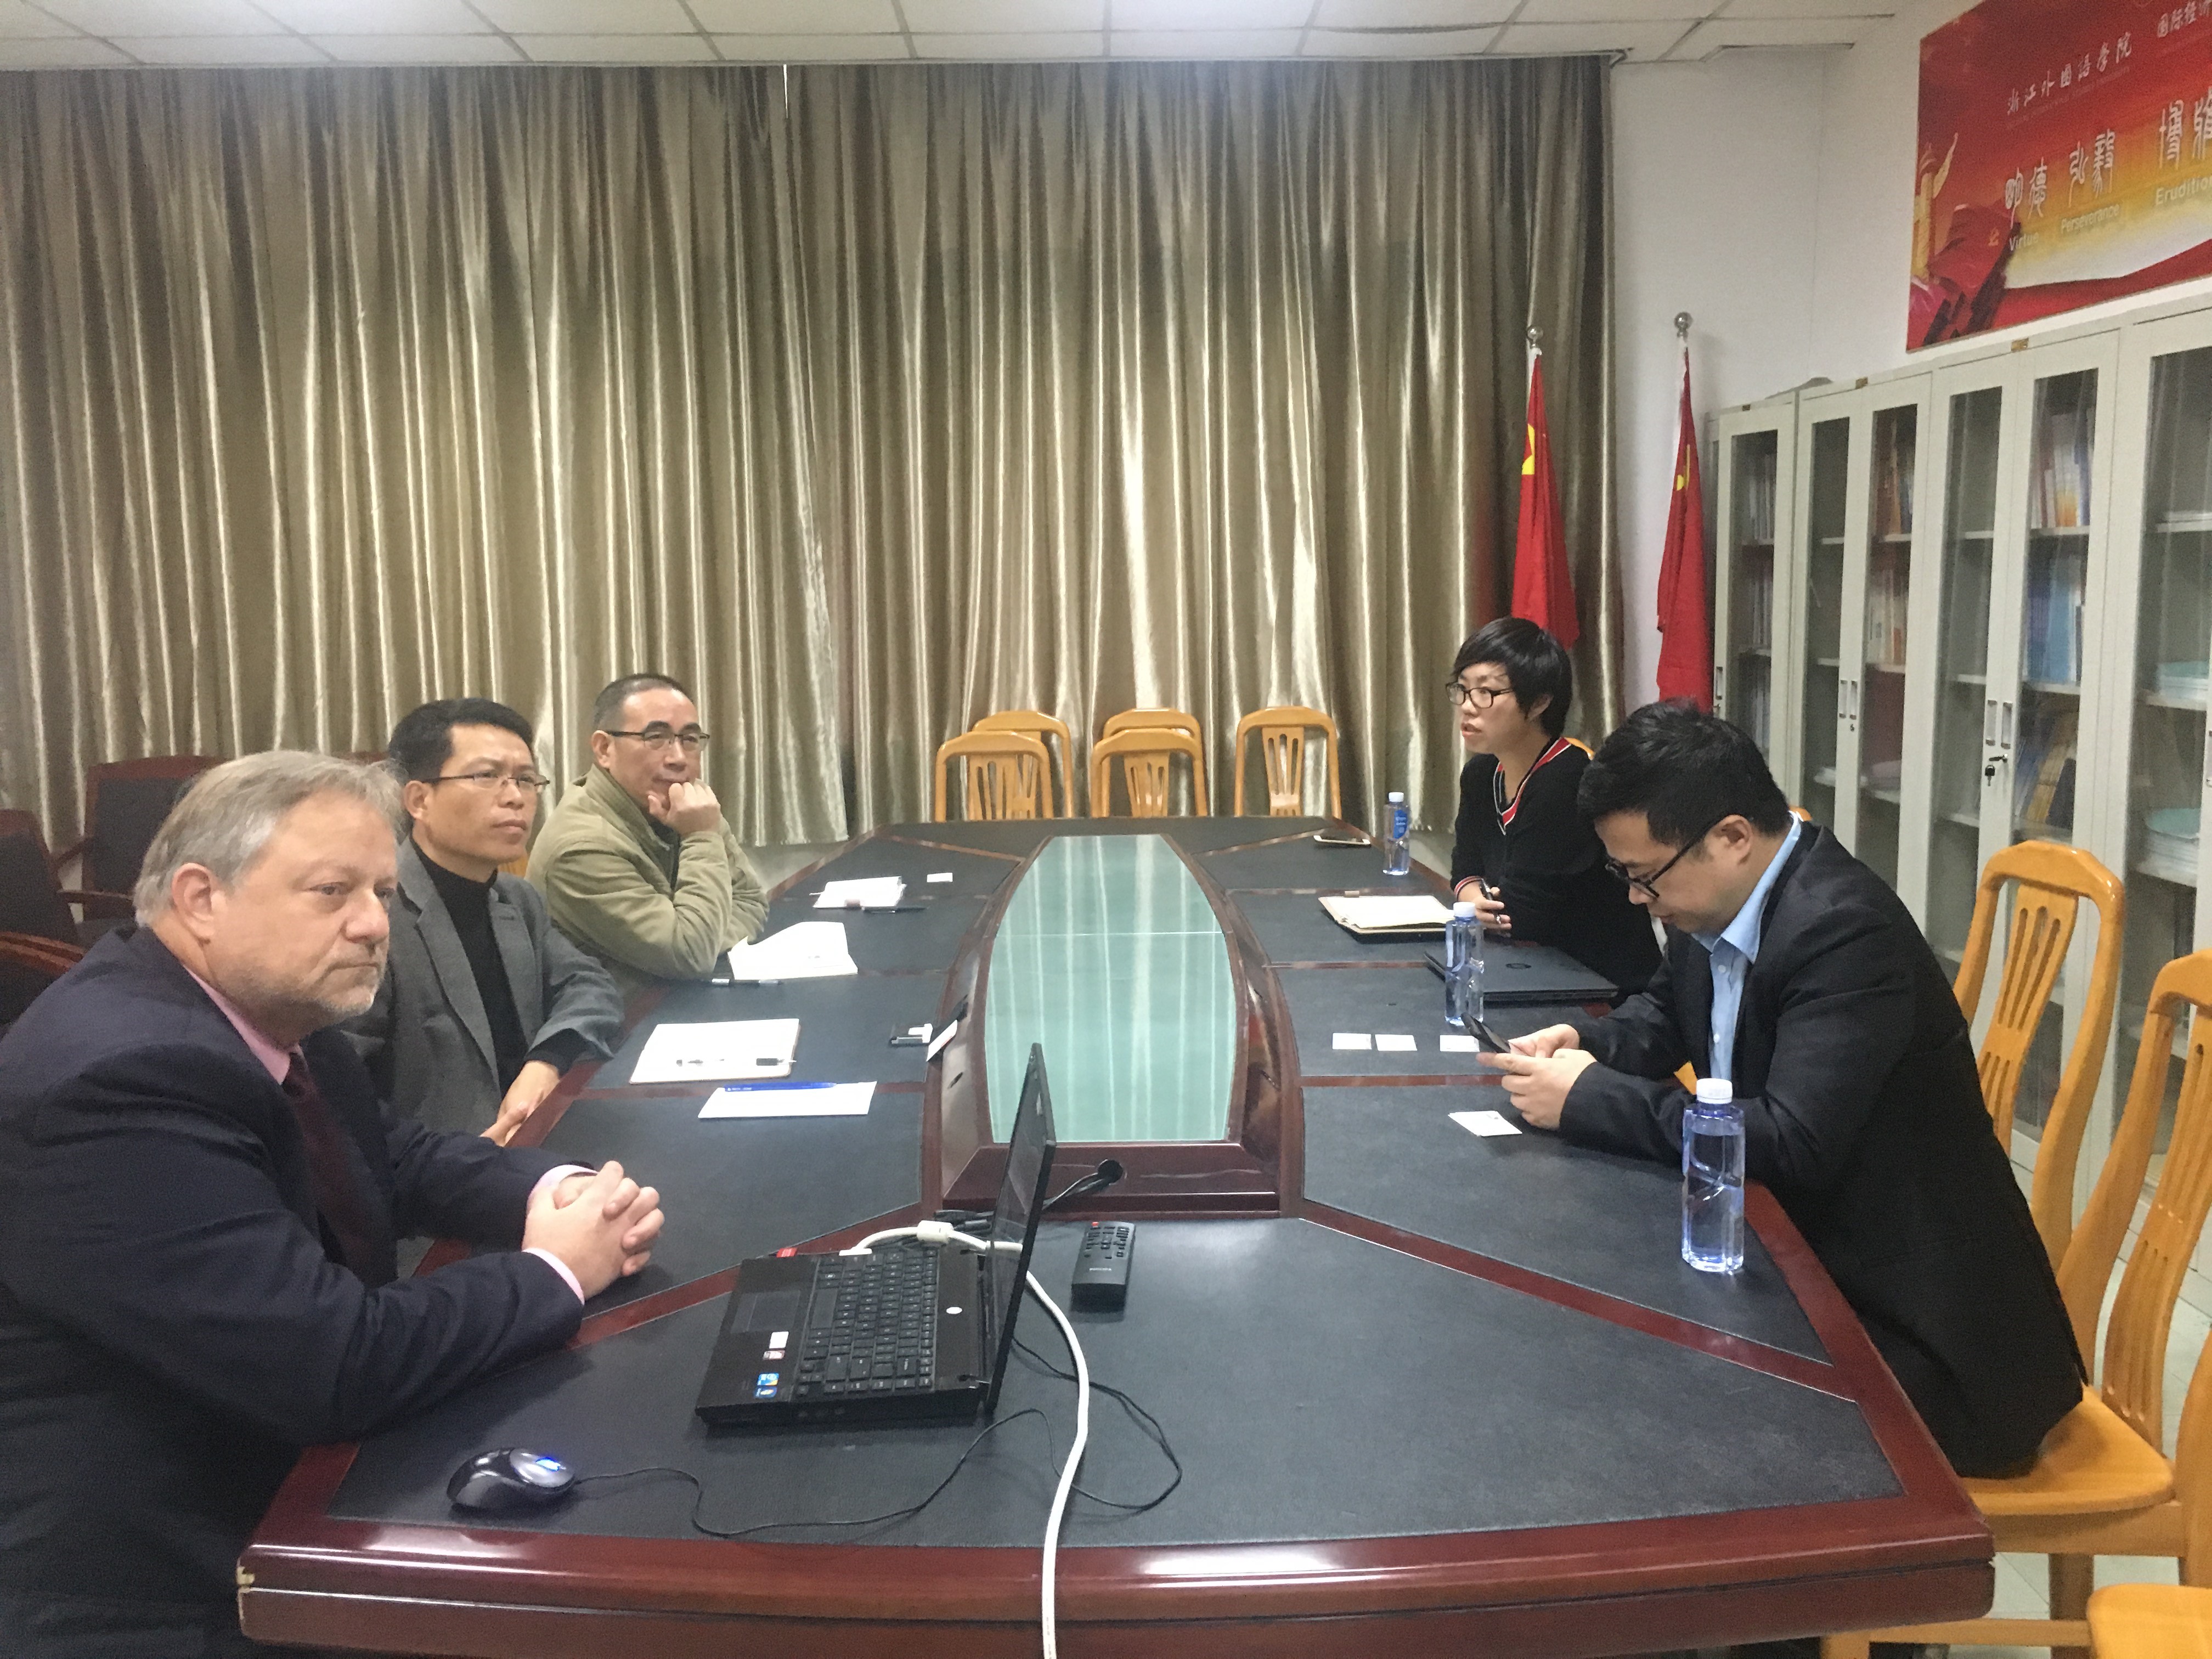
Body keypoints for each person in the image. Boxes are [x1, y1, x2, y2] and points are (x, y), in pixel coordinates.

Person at [0, 752, 665, 1657]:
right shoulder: (121, 1081)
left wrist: (564, 1191)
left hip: (271, 1478)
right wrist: (556, 1268)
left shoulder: (257, 1006)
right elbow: (331, 1363)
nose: (372, 924)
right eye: (331, 891)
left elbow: (395, 1155)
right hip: (169, 1583)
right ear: (201, 898)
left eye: (383, 893)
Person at [1481, 703, 2080, 1478]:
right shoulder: (1718, 902)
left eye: (1644, 876)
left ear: (1733, 837)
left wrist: (1590, 1099)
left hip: (1920, 1330)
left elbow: (1791, 1142)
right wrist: (1585, 1043)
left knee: (1659, 1406)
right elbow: (1666, 1015)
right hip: (1803, 1258)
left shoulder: (1844, 933)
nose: (1636, 899)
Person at [345, 698, 623, 1144]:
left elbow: (589, 985)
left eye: (526, 779)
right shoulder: (373, 916)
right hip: (434, 1167)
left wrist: (546, 1062)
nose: (515, 797)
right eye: (486, 776)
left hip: (532, 1143)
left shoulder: (515, 898)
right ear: (418, 800)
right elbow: (338, 1094)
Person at [1447, 617, 1660, 994]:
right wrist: (1473, 900)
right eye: (1462, 690)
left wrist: (1476, 903)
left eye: (1486, 693)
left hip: (1600, 986)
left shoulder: (1567, 780)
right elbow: (1465, 869)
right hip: (1527, 967)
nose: (1467, 707)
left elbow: (1522, 915)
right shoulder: (1480, 775)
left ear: (1539, 703)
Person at [531, 673, 768, 999]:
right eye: (656, 738)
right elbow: (691, 953)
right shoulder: (579, 848)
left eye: (690, 739)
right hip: (621, 1019)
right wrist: (700, 836)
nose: (678, 758)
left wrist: (705, 937)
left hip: (676, 995)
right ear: (604, 749)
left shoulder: (684, 802)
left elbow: (751, 901)